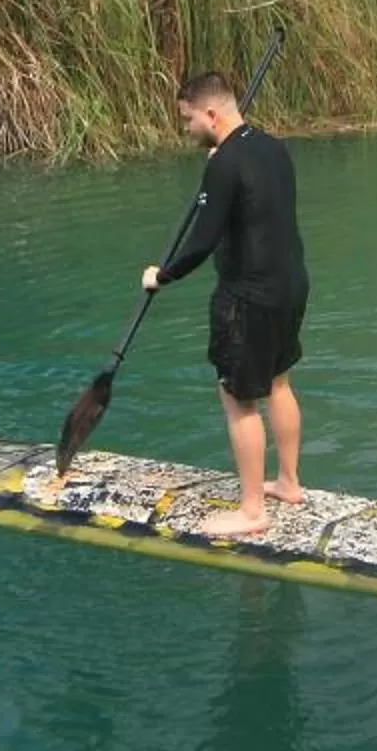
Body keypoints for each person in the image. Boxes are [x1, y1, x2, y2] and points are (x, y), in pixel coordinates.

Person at [140, 67, 309, 538]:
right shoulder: (272, 147)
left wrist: (163, 276)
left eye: (188, 119)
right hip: (291, 284)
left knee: (238, 398)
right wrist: (222, 168)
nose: (186, 128)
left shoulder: (225, 163)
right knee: (278, 382)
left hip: (248, 297)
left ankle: (252, 511)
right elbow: (253, 202)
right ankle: (289, 483)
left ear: (211, 114)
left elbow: (203, 239)